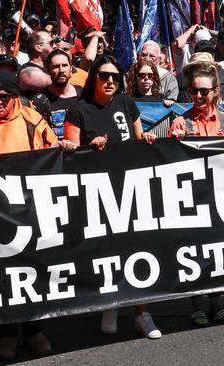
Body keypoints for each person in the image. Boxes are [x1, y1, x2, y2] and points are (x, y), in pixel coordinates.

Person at [0, 70, 75, 360]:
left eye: (5, 96)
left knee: (33, 271)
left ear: (15, 96)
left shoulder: (32, 120)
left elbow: (51, 152)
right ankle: (7, 333)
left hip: (30, 209)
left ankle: (35, 330)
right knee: (3, 276)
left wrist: (63, 147)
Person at [64, 55, 161, 339]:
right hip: (99, 192)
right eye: (104, 76)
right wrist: (87, 146)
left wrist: (148, 141)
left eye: (115, 77)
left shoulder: (126, 103)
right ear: (93, 77)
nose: (110, 81)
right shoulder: (78, 110)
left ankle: (143, 313)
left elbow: (139, 138)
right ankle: (112, 305)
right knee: (109, 252)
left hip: (132, 186)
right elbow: (71, 151)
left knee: (141, 247)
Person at [168, 60, 224, 326]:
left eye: (204, 91)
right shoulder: (179, 123)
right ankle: (197, 302)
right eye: (194, 91)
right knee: (193, 253)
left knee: (217, 253)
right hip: (191, 200)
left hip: (220, 198)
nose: (198, 96)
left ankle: (217, 301)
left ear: (215, 92)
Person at [43, 49, 82, 139]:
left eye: (64, 65)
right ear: (47, 70)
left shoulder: (83, 95)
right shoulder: (41, 100)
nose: (61, 70)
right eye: (56, 66)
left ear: (71, 68)